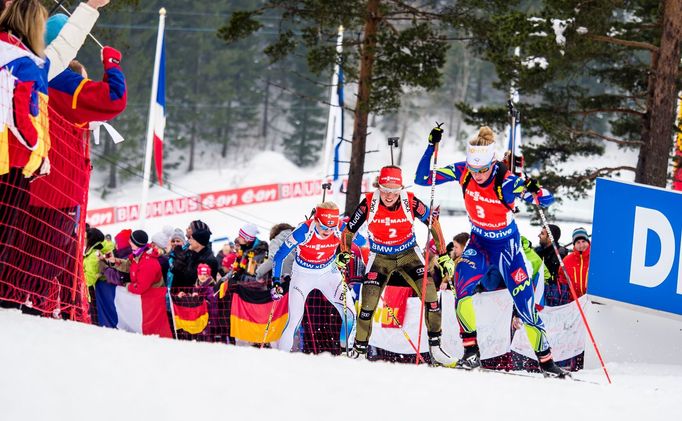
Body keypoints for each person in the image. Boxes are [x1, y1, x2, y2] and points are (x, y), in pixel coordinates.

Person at [415, 125, 568, 377]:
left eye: (483, 169)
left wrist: (534, 189)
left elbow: (547, 199)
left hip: (507, 248)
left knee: (526, 306)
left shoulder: (507, 181)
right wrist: (431, 146)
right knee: (460, 285)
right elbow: (422, 179)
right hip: (479, 243)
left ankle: (546, 361)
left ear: (493, 163)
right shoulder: (463, 170)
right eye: (474, 169)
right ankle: (471, 352)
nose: (477, 175)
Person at [339, 165, 455, 365]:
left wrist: (443, 255)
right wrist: (345, 253)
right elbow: (349, 231)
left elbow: (433, 223)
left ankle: (435, 348)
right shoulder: (369, 203)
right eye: (385, 189)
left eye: (394, 191)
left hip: (408, 254)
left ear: (400, 188)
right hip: (380, 257)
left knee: (431, 297)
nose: (389, 195)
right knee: (367, 303)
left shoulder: (409, 201)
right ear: (378, 186)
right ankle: (359, 350)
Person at [270, 203, 355, 352]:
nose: (327, 232)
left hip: (328, 273)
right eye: (323, 227)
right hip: (303, 275)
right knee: (294, 320)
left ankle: (345, 354)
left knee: (350, 313)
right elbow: (279, 256)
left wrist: (346, 253)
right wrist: (275, 282)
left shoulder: (341, 227)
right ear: (316, 220)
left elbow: (362, 243)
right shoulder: (302, 231)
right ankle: (281, 358)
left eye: (331, 228)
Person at [103, 230, 164, 295]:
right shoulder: (138, 253)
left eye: (131, 241)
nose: (129, 242)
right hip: (145, 298)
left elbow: (140, 287)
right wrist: (114, 260)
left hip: (153, 298)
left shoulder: (148, 263)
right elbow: (128, 265)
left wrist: (127, 285)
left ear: (137, 243)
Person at [558, 227, 591, 298]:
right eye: (578, 242)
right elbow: (562, 280)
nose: (581, 245)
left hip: (592, 302)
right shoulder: (566, 261)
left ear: (588, 241)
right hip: (573, 303)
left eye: (583, 241)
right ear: (574, 244)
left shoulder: (595, 258)